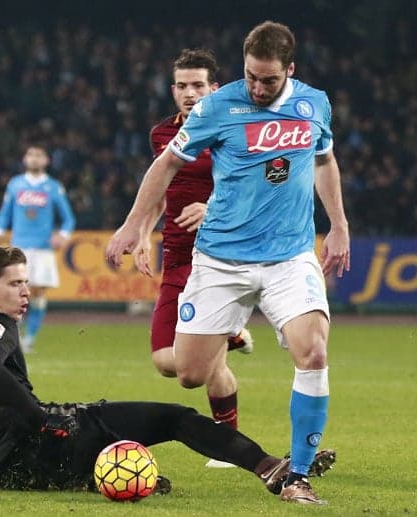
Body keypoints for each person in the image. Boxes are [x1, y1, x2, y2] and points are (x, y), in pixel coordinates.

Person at [106, 21, 350, 505]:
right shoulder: (219, 106)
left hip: (289, 255)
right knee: (189, 373)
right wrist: (135, 224)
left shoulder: (314, 104)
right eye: (251, 77)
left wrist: (338, 225)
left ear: (290, 70)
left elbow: (324, 160)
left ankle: (296, 474)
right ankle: (228, 334)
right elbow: (167, 164)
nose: (258, 88)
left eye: (269, 80)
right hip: (220, 260)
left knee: (313, 351)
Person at [0, 246, 335, 499]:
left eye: (26, 282)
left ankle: (95, 478)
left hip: (12, 473)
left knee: (110, 450)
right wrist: (40, 419)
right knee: (175, 419)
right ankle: (273, 468)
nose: (26, 292)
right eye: (15, 284)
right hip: (43, 444)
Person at [135, 49, 254, 468]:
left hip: (220, 257)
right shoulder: (161, 135)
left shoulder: (235, 130)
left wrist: (212, 207)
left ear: (214, 89)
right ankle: (226, 336)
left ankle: (229, 444)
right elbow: (159, 190)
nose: (190, 93)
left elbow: (254, 191)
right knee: (165, 363)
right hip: (177, 256)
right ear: (173, 90)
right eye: (183, 86)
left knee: (193, 374)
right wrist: (141, 233)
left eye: (198, 85)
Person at [0, 145, 75, 352]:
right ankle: (14, 336)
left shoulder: (53, 187)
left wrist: (62, 236)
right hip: (19, 249)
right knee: (13, 293)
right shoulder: (16, 184)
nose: (34, 159)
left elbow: (68, 218)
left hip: (43, 248)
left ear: (46, 160)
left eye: (38, 155)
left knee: (36, 294)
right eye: (30, 155)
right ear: (25, 159)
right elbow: (5, 212)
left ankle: (30, 338)